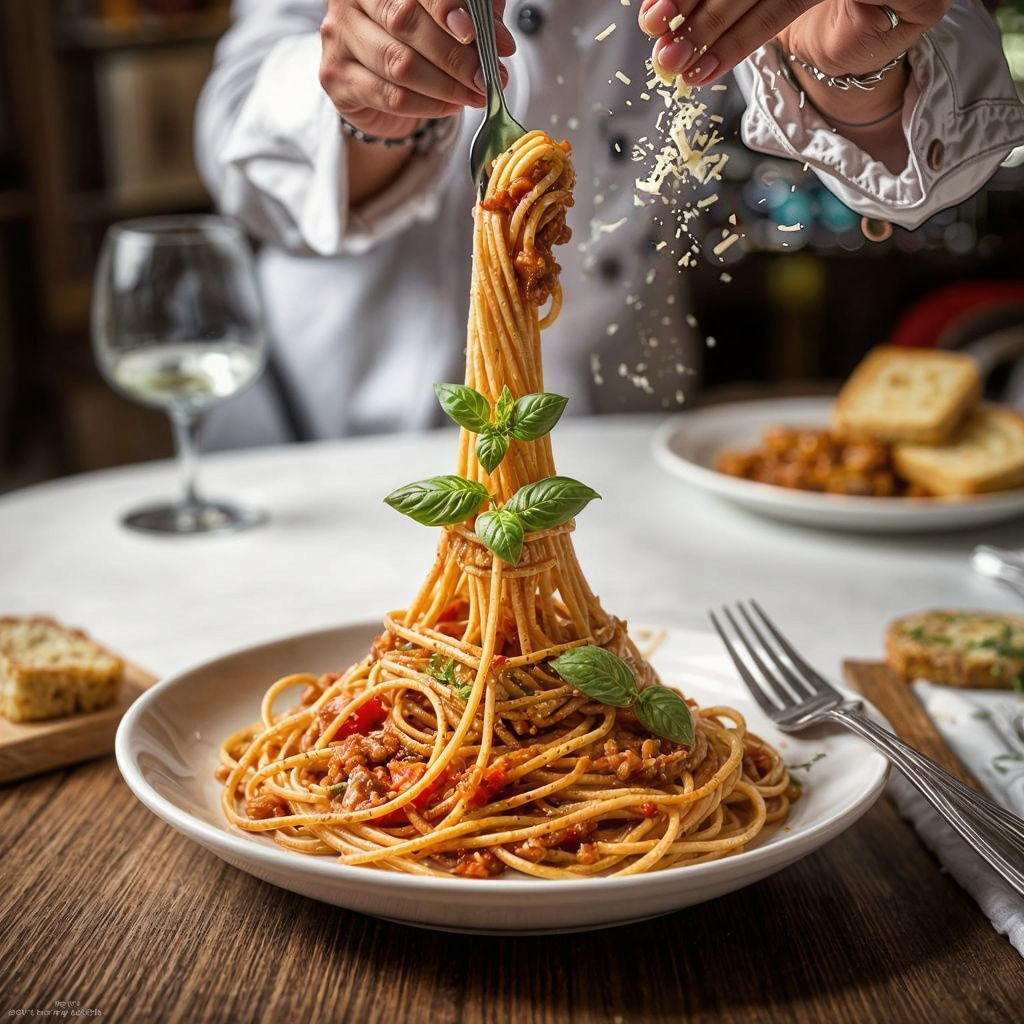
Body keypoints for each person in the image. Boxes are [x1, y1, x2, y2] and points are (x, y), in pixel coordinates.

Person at [195, 0, 1024, 446]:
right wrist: (366, 94)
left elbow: (935, 146)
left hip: (625, 434)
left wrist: (857, 55)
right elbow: (237, 144)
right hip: (347, 433)